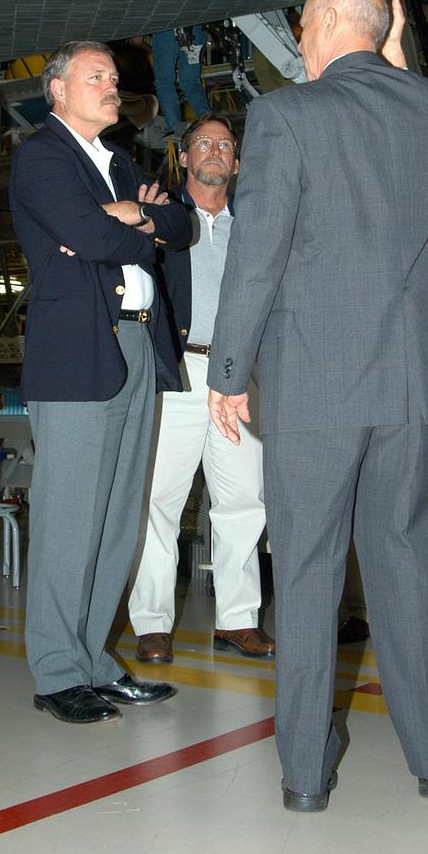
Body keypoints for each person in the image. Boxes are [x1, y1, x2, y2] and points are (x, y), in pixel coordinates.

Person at [206, 0, 428, 811]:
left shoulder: (288, 114)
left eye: (303, 25)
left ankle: (304, 774)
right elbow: (395, 94)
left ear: (325, 26)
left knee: (305, 572)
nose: (299, 39)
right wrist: (391, 45)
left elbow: (257, 255)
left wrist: (227, 375)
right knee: (404, 563)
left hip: (311, 380)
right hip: (404, 377)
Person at [10, 41, 192, 724]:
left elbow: (180, 225)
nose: (111, 88)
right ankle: (57, 672)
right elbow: (95, 239)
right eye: (97, 77)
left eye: (114, 79)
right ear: (57, 89)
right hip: (80, 348)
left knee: (119, 516)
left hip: (139, 341)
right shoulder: (42, 155)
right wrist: (132, 223)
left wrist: (134, 217)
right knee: (69, 518)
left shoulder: (117, 161)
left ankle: (93, 661)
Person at [129, 112, 273, 663]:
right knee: (159, 502)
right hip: (178, 373)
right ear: (183, 158)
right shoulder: (160, 219)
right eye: (202, 144)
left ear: (237, 163)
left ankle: (238, 621)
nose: (214, 151)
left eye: (225, 145)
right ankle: (152, 623)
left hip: (239, 376)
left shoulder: (257, 224)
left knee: (242, 501)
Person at [151, 25, 211, 135]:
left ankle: (175, 130)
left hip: (165, 26)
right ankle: (208, 124)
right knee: (191, 81)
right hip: (196, 27)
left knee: (165, 82)